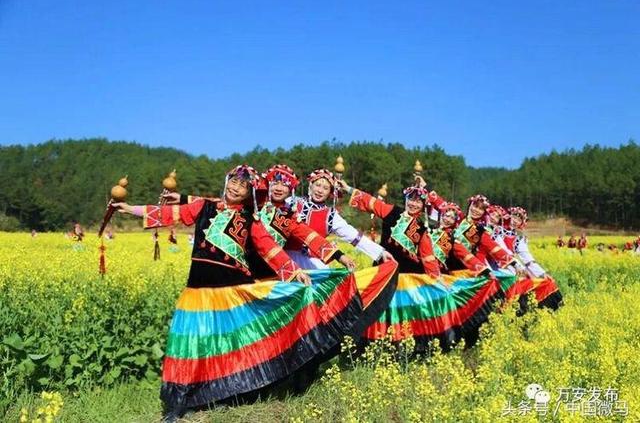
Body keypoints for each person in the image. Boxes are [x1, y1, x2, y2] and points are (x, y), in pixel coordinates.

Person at [112, 165, 369, 420]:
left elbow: (283, 243)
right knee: (191, 346)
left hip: (238, 289)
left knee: (231, 345)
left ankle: (238, 390)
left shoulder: (261, 217)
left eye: (243, 186)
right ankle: (178, 403)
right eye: (234, 182)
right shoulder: (208, 206)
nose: (236, 187)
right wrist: (129, 208)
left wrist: (308, 265)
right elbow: (172, 213)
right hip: (199, 292)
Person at [338, 177, 504, 351]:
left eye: (418, 202)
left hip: (408, 278)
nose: (414, 204)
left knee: (404, 314)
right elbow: (369, 201)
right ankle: (367, 346)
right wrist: (348, 188)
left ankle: (401, 347)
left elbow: (428, 258)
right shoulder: (391, 212)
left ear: (423, 206)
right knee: (378, 310)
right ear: (406, 200)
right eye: (411, 200)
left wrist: (438, 280)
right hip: (383, 272)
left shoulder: (423, 231)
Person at [285, 169, 392, 269]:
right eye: (317, 185)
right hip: (287, 259)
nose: (320, 191)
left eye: (325, 188)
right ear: (310, 186)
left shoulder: (330, 215)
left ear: (330, 193)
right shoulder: (292, 202)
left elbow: (354, 236)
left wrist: (380, 252)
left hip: (314, 264)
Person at [498, 207, 563, 310]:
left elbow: (527, 258)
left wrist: (542, 273)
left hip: (513, 268)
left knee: (544, 283)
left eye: (519, 220)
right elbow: (502, 252)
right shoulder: (497, 230)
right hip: (497, 267)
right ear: (509, 215)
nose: (515, 221)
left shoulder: (519, 237)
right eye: (514, 217)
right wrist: (519, 268)